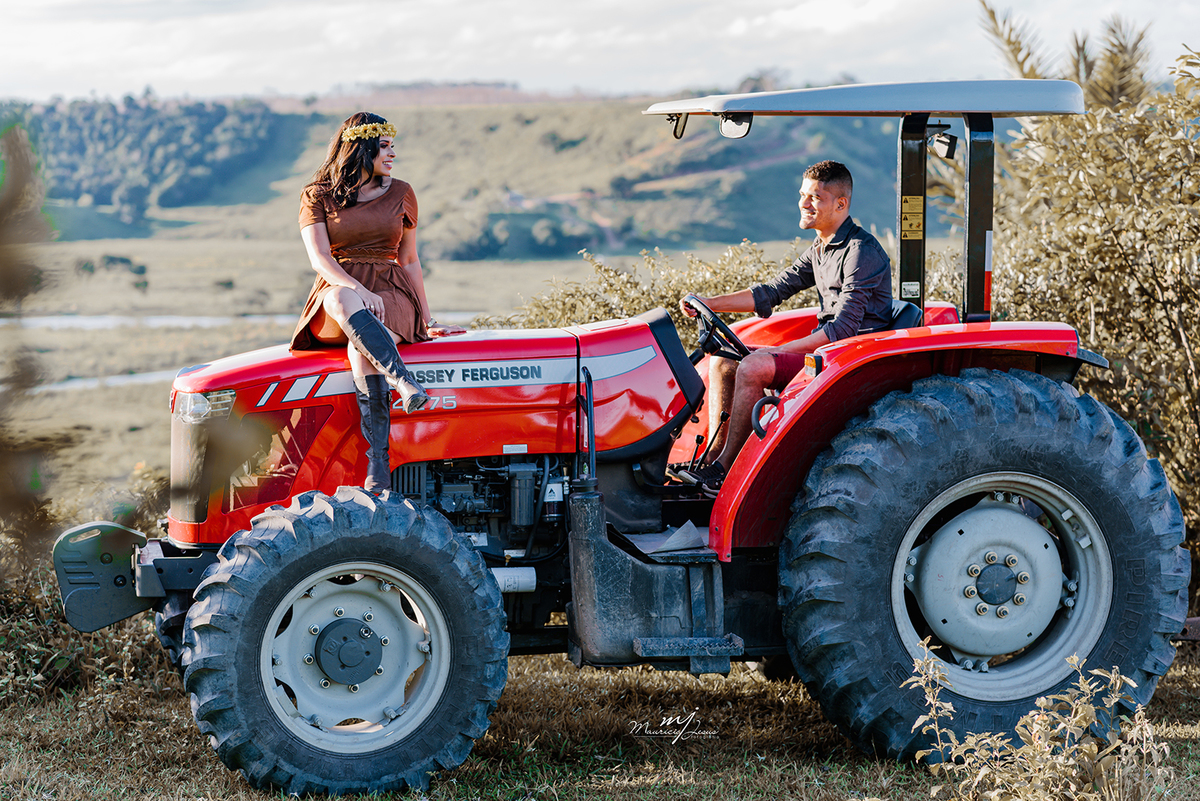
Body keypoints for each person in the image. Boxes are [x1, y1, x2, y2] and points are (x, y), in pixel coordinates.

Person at [674, 160, 892, 494]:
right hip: (828, 353)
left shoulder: (861, 252)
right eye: (803, 195)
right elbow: (771, 292)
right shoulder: (821, 247)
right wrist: (709, 302)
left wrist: (773, 351)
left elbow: (842, 331)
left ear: (840, 204)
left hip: (847, 360)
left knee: (753, 366)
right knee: (723, 361)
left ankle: (727, 473)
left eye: (815, 197)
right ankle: (712, 459)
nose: (804, 203)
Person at [291, 111, 464, 492]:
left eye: (392, 146)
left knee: (361, 346)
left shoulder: (402, 192)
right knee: (343, 298)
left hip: (391, 290)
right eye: (384, 146)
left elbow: (409, 259)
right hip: (339, 289)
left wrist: (427, 319)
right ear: (360, 148)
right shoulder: (317, 194)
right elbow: (320, 257)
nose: (392, 154)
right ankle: (402, 380)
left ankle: (379, 464)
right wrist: (359, 290)